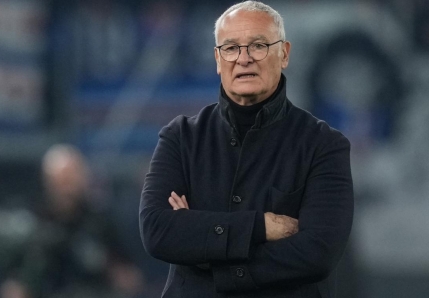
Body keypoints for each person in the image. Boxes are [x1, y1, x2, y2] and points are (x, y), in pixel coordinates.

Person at [139, 1, 354, 297]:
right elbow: (158, 231)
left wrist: (206, 252)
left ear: (284, 54)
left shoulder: (324, 146)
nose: (244, 59)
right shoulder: (180, 137)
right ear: (217, 59)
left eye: (258, 45)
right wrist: (260, 227)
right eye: (230, 48)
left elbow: (317, 253)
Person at [0, 144, 143, 298]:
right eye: (61, 181)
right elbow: (12, 282)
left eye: (72, 179)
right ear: (47, 182)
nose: (67, 189)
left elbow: (130, 276)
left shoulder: (99, 222)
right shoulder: (31, 222)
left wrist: (109, 268)